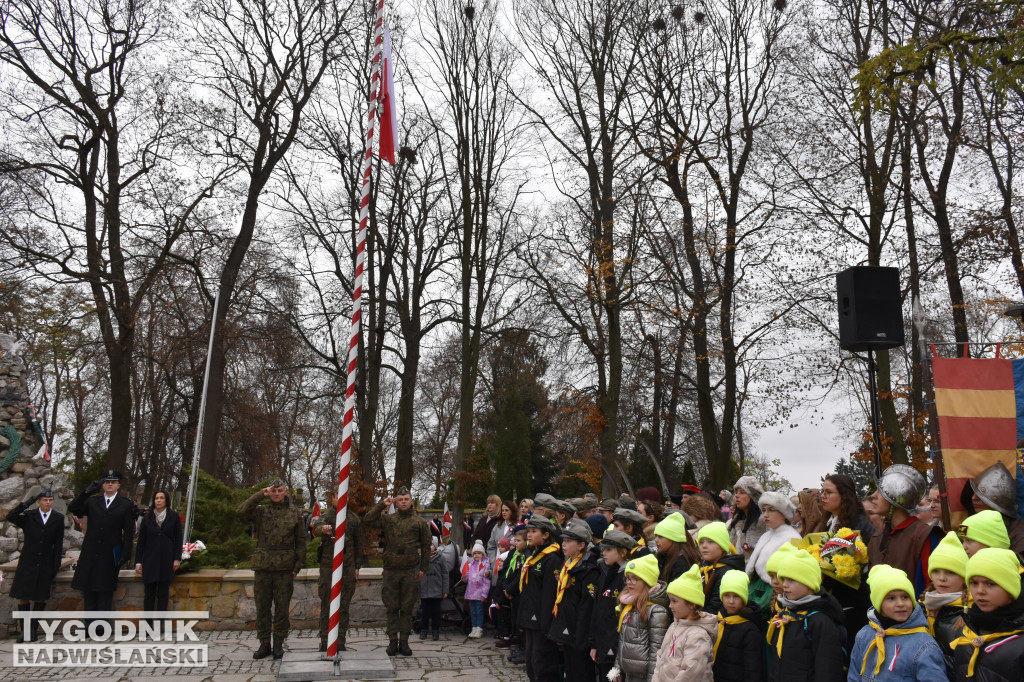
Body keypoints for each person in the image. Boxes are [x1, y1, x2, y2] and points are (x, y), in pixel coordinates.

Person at [237, 477, 308, 660]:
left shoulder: (295, 514)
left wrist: (297, 566)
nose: (276, 494)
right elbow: (241, 512)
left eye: (280, 491)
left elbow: (301, 543)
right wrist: (261, 494)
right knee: (262, 607)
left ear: (286, 492)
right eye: (273, 492)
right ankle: (264, 644)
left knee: (282, 608)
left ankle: (278, 644)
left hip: (284, 568)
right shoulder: (261, 511)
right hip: (263, 567)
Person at [363, 486, 431, 657]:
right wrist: (381, 505)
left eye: (406, 499)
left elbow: (426, 547)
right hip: (391, 570)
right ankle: (392, 641)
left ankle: (405, 642)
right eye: (400, 499)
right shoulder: (388, 519)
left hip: (410, 571)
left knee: (407, 608)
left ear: (411, 501)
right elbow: (368, 520)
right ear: (396, 501)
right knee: (392, 607)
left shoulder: (419, 523)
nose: (403, 502)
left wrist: (423, 569)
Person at [848, 564, 946, 681]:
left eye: (905, 597)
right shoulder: (864, 635)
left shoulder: (924, 645)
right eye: (891, 598)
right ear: (878, 603)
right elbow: (854, 676)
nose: (900, 604)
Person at [767, 549, 846, 682]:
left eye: (791, 579)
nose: (784, 584)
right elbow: (777, 664)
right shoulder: (787, 615)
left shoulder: (820, 621)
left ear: (808, 583)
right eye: (784, 579)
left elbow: (828, 669)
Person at [68, 470, 136, 616]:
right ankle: (89, 625)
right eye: (106, 482)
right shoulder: (93, 501)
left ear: (118, 485)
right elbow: (73, 508)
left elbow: (129, 533)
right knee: (88, 590)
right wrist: (87, 492)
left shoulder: (125, 505)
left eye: (113, 482)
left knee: (105, 591)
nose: (109, 484)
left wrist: (125, 555)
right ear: (102, 485)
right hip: (90, 552)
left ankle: (101, 628)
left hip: (110, 553)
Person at [950, 548, 1024, 680]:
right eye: (974, 583)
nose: (980, 591)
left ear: (1010, 589)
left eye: (990, 584)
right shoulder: (966, 630)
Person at [868, 465, 942, 595]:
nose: (873, 496)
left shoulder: (923, 535)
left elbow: (929, 588)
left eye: (880, 491)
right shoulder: (877, 537)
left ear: (896, 494)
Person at [9, 489, 64, 642]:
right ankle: (24, 630)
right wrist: (27, 503)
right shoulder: (29, 516)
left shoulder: (58, 518)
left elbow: (58, 544)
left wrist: (56, 565)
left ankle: (32, 630)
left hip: (46, 563)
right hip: (28, 562)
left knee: (40, 597)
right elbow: (11, 516)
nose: (48, 503)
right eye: (45, 500)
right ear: (39, 502)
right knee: (23, 597)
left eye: (51, 500)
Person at [549, 518, 599, 682]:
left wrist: (580, 638)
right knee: (570, 672)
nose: (564, 544)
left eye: (569, 541)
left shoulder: (588, 570)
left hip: (579, 635)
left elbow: (586, 608)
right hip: (567, 630)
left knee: (581, 673)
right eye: (563, 540)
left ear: (581, 545)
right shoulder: (568, 565)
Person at [518, 514, 563, 682]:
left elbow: (549, 595)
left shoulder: (551, 559)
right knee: (531, 663)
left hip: (542, 622)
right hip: (530, 619)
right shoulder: (534, 556)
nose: (529, 535)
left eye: (534, 531)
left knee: (543, 664)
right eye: (528, 531)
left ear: (546, 535)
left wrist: (546, 625)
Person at [316, 493, 364, 652]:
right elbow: (316, 529)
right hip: (328, 568)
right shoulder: (326, 517)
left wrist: (357, 566)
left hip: (347, 568)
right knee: (326, 605)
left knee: (343, 606)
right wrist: (323, 530)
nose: (340, 499)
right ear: (332, 499)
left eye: (343, 496)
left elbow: (358, 545)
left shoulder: (353, 519)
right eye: (336, 496)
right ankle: (325, 640)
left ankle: (341, 639)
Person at [652, 564, 716, 682]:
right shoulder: (674, 626)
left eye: (674, 601)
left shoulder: (698, 635)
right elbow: (661, 656)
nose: (670, 606)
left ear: (692, 604)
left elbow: (690, 672)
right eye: (670, 600)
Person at [613, 553, 671, 682]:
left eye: (635, 578)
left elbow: (656, 651)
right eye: (627, 578)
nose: (629, 582)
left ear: (647, 582)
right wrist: (617, 667)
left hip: (643, 676)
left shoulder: (656, 611)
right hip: (628, 673)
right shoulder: (630, 606)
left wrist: (652, 678)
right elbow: (623, 641)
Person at [590, 529, 636, 679]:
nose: (603, 553)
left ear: (623, 552)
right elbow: (597, 611)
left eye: (609, 550)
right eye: (603, 549)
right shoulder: (604, 571)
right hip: (602, 641)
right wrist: (594, 644)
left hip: (617, 644)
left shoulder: (627, 578)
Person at [919, 531, 969, 671]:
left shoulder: (971, 613)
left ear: (964, 577)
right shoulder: (920, 607)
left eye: (950, 572)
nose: (941, 578)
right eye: (936, 571)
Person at [747, 491, 801, 612]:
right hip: (755, 587)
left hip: (773, 592)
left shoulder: (792, 537)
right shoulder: (766, 535)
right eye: (764, 510)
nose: (765, 515)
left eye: (771, 510)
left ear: (783, 514)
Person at [959, 461, 1024, 559]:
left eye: (982, 494)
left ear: (1001, 499)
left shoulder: (1019, 533)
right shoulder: (969, 524)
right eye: (973, 493)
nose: (973, 498)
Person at [134, 490, 183, 614]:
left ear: (166, 500)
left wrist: (177, 558)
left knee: (163, 595)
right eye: (156, 498)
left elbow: (178, 539)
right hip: (150, 561)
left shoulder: (174, 517)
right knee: (149, 595)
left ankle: (159, 625)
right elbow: (141, 542)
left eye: (161, 498)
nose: (159, 500)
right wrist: (138, 562)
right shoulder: (147, 518)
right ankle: (148, 625)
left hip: (166, 560)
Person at [712, 570, 764, 682]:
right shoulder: (719, 620)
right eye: (726, 595)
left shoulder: (750, 630)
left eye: (736, 596)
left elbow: (753, 669)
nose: (731, 601)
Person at [696, 521, 744, 616]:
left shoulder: (727, 572)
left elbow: (716, 605)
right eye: (701, 542)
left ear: (722, 547)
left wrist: (696, 616)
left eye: (710, 542)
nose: (704, 546)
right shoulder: (702, 567)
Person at [821, 474, 876, 542]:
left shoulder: (860, 524)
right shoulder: (825, 523)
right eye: (822, 491)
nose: (822, 496)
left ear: (844, 495)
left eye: (828, 492)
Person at [729, 476, 768, 562]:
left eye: (742, 492)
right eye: (736, 492)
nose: (736, 495)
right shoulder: (735, 522)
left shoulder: (764, 522)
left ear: (753, 496)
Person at [652, 513, 699, 582]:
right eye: (655, 536)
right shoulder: (663, 558)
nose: (656, 540)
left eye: (661, 537)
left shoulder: (681, 565)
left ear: (674, 539)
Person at [464, 540, 491, 638]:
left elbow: (486, 582)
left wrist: (484, 594)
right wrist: (464, 576)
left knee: (479, 611)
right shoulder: (471, 565)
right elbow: (466, 578)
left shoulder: (485, 566)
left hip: (479, 594)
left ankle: (479, 628)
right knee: (473, 611)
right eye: (475, 553)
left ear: (483, 554)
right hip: (471, 594)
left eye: (479, 553)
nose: (476, 555)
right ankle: (473, 628)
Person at [487, 500, 518, 564]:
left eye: (506, 510)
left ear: (512, 511)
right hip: (497, 563)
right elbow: (491, 546)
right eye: (503, 510)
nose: (504, 512)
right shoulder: (497, 526)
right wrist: (493, 561)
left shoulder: (517, 527)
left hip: (511, 563)